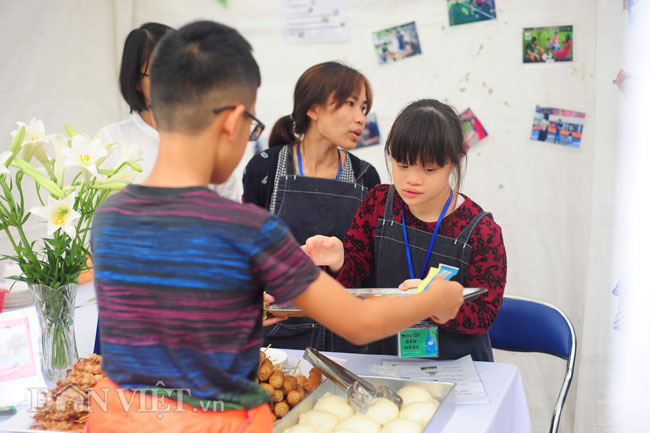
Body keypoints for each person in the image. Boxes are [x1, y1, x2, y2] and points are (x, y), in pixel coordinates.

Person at [88, 21, 464, 433]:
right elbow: (357, 323)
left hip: (116, 419)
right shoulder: (246, 229)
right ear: (232, 123)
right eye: (252, 125)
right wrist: (438, 298)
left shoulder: (111, 217)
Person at [302, 99, 507, 361]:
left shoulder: (482, 232)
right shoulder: (377, 203)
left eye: (429, 168)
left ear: (455, 163)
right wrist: (340, 260)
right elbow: (356, 278)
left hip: (457, 366)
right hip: (386, 360)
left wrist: (430, 304)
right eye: (402, 164)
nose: (412, 179)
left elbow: (484, 314)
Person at [243, 61, 381, 351]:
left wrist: (341, 260)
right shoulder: (265, 168)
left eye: (364, 108)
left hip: (345, 337)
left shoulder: (366, 177)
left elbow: (371, 268)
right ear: (313, 109)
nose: (361, 119)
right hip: (276, 337)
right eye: (350, 104)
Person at [97, 22, 240, 200]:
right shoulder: (112, 141)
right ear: (135, 81)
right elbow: (100, 218)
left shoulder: (211, 136)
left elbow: (231, 212)